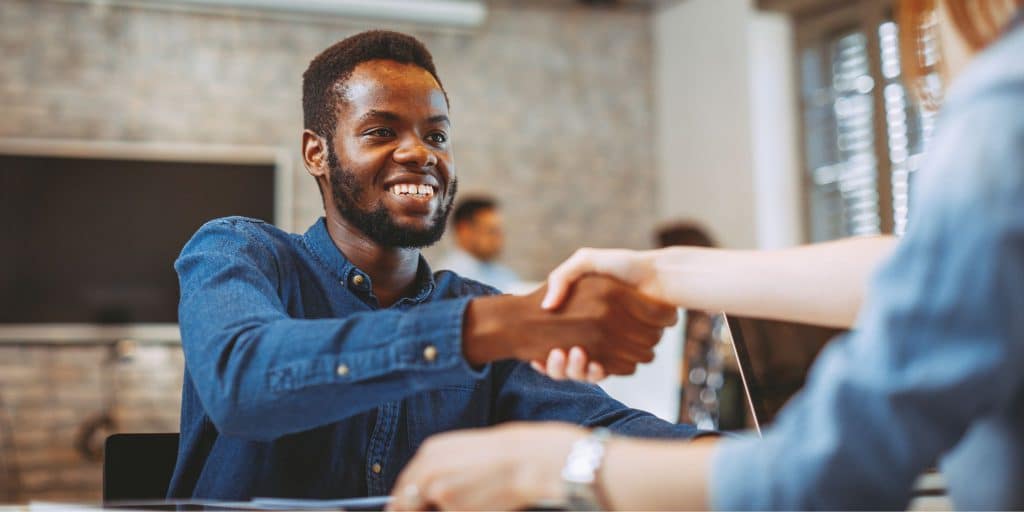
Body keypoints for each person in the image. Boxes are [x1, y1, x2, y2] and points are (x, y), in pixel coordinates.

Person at [390, 0, 1024, 509]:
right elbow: (935, 272)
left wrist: (552, 467)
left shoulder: (1002, 108)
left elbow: (832, 470)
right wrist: (658, 270)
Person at [167, 30, 706, 501]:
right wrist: (495, 326)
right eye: (381, 131)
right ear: (317, 153)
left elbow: (609, 426)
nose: (420, 153)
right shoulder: (237, 251)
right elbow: (243, 383)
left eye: (437, 135)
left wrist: (764, 462)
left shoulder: (474, 305)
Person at [438, 195, 521, 291]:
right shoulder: (448, 280)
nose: (499, 239)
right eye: (491, 231)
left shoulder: (505, 275)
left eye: (500, 231)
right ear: (464, 230)